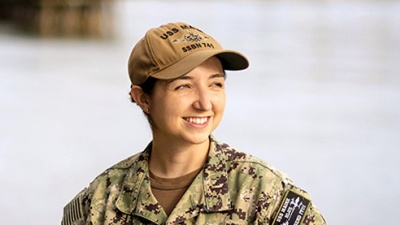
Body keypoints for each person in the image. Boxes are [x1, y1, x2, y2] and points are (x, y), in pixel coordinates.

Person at [62, 22, 327, 225]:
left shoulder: (264, 193)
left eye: (215, 84)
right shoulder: (99, 202)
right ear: (142, 98)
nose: (204, 103)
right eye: (184, 86)